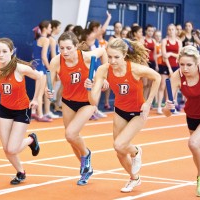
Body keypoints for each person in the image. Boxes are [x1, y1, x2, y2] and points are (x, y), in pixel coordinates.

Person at [85, 38, 161, 192]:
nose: (112, 61)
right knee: (119, 151)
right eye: (110, 56)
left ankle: (136, 151)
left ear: (124, 55)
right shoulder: (103, 70)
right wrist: (90, 88)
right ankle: (134, 179)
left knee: (119, 145)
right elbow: (93, 101)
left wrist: (148, 103)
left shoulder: (135, 69)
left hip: (138, 112)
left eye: (116, 57)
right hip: (120, 111)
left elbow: (157, 77)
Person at [46, 31, 107, 185]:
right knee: (71, 139)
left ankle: (86, 154)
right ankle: (86, 169)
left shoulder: (86, 57)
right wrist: (49, 89)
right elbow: (50, 80)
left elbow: (103, 51)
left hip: (87, 101)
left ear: (76, 47)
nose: (65, 52)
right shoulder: (56, 61)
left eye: (68, 48)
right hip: (68, 101)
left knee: (71, 134)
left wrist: (103, 78)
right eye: (61, 48)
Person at [0, 37, 41, 185]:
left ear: (11, 52)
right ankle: (21, 172)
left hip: (22, 110)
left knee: (12, 148)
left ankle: (31, 140)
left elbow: (40, 77)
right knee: (6, 149)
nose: (0, 55)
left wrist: (36, 98)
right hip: (5, 110)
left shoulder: (20, 68)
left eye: (4, 51)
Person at [163, 45, 200, 197]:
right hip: (192, 115)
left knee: (193, 143)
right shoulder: (177, 76)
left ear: (197, 63)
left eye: (189, 65)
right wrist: (168, 106)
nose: (185, 68)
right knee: (199, 149)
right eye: (181, 64)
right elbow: (167, 113)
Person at [157, 24, 182, 114]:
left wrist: (171, 53)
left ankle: (172, 107)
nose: (171, 31)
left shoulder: (178, 42)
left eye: (172, 29)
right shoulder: (164, 41)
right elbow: (164, 55)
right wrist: (169, 68)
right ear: (167, 31)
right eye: (169, 29)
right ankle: (159, 106)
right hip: (165, 66)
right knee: (162, 86)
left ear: (175, 31)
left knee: (172, 88)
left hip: (175, 66)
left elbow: (180, 55)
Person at [32, 20, 53, 122]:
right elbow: (44, 57)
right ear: (44, 29)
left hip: (37, 67)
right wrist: (50, 69)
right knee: (40, 93)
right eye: (50, 27)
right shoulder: (45, 40)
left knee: (40, 92)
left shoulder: (37, 39)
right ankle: (40, 115)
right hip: (41, 68)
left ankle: (33, 111)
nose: (51, 29)